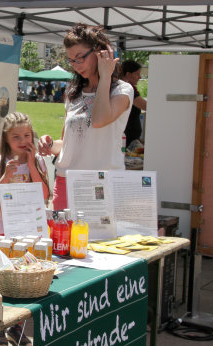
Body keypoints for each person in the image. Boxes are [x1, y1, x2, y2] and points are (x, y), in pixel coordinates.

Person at [37, 23, 133, 210]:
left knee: (99, 240)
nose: (76, 65)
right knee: (63, 239)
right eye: (71, 60)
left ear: (100, 53)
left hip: (101, 184)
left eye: (80, 57)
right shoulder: (73, 91)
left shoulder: (122, 90)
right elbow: (66, 143)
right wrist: (49, 145)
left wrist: (105, 77)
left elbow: (99, 120)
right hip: (66, 182)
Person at [0, 112, 47, 346]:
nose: (23, 140)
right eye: (16, 136)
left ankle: (17, 327)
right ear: (6, 138)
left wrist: (31, 165)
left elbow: (43, 195)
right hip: (4, 231)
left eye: (27, 135)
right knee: (2, 281)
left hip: (31, 230)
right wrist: (6, 176)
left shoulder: (39, 160)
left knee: (25, 282)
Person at [120, 60, 147, 147]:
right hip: (126, 139)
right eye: (137, 74)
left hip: (130, 138)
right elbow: (145, 106)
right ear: (128, 74)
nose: (139, 77)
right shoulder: (127, 89)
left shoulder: (126, 88)